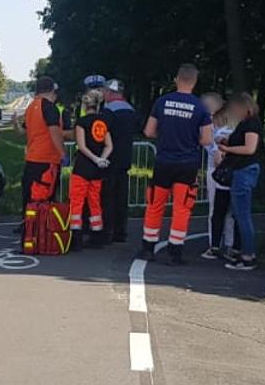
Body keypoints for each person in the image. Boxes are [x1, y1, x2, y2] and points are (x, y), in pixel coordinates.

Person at [139, 64, 214, 264]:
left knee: (155, 204)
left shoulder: (162, 102)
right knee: (182, 207)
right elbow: (207, 139)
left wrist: (164, 137)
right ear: (194, 82)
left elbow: (148, 131)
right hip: (187, 163)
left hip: (163, 160)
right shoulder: (200, 107)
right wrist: (191, 141)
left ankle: (148, 247)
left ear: (176, 79)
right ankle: (175, 252)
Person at [215, 91, 264, 270]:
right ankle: (244, 253)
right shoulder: (245, 124)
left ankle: (248, 255)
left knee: (242, 215)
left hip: (244, 170)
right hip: (242, 170)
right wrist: (227, 141)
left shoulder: (251, 124)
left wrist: (228, 149)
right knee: (239, 214)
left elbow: (249, 148)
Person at [70, 89, 114, 247]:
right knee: (95, 202)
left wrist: (94, 159)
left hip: (82, 167)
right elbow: (109, 145)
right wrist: (101, 159)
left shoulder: (82, 122)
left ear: (85, 104)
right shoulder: (103, 122)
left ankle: (76, 238)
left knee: (77, 202)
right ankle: (97, 236)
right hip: (97, 170)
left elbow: (81, 146)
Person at [201, 92, 240, 261]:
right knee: (218, 208)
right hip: (216, 169)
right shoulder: (208, 122)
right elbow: (207, 142)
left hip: (226, 168)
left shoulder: (232, 122)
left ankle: (225, 244)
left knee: (225, 208)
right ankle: (217, 243)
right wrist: (216, 150)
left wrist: (219, 150)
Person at [101, 79, 139, 242]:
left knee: (107, 196)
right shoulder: (130, 110)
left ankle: (107, 230)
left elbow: (102, 133)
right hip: (125, 158)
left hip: (109, 158)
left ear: (109, 93)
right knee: (121, 195)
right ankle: (120, 231)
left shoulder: (108, 111)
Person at [22, 76, 66, 209]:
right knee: (45, 198)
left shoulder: (31, 107)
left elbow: (25, 131)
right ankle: (42, 227)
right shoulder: (49, 107)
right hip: (47, 160)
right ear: (52, 90)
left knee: (31, 196)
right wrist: (63, 154)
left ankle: (28, 225)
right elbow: (54, 133)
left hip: (32, 158)